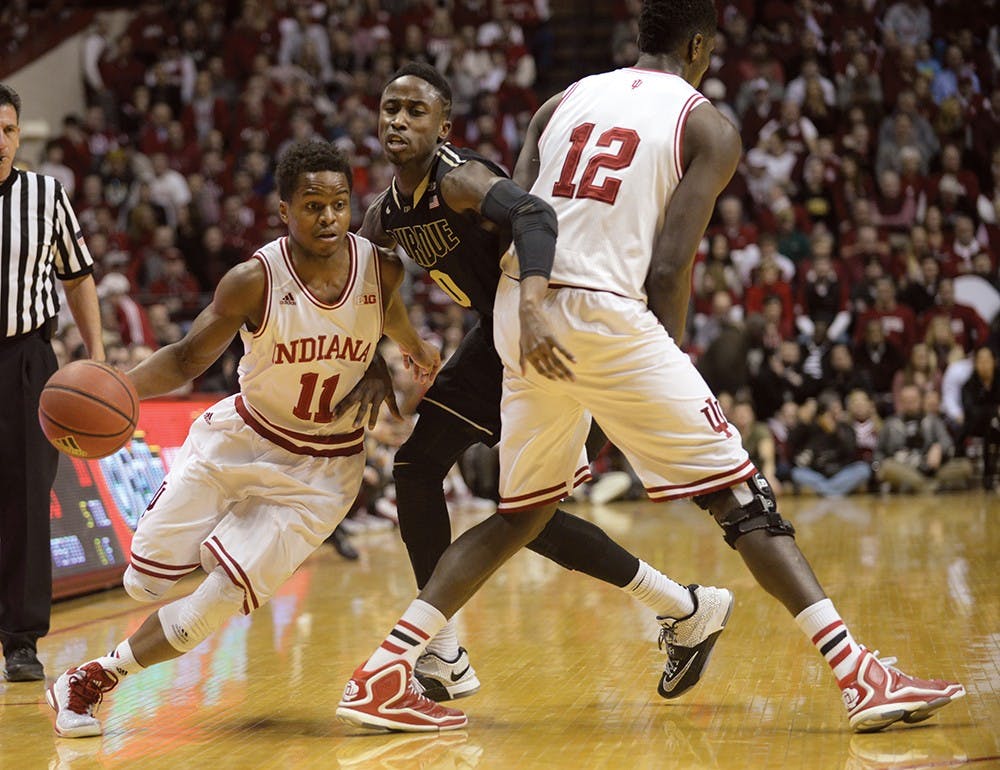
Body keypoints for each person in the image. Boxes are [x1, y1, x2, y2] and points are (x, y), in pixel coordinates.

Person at [336, 1, 965, 734]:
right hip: (603, 314)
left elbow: (527, 220)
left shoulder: (558, 102)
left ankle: (387, 669)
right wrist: (657, 371)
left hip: (518, 315)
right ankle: (861, 678)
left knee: (520, 515)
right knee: (742, 499)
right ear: (699, 45)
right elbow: (668, 268)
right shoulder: (709, 125)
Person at [348, 61, 732, 704]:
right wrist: (392, 354)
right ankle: (684, 607)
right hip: (493, 343)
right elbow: (367, 288)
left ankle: (442, 649)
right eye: (390, 108)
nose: (399, 120)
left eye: (416, 110)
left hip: (546, 331)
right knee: (464, 489)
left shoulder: (463, 177)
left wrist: (528, 305)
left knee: (520, 513)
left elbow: (535, 216)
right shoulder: (385, 215)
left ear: (444, 123)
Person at [45, 141, 440, 738]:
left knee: (207, 612)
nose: (329, 217)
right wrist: (116, 389)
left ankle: (93, 677)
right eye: (312, 205)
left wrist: (404, 354)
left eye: (338, 203)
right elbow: (184, 359)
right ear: (284, 211)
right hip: (244, 439)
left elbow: (392, 319)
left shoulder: (381, 268)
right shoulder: (252, 280)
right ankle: (215, 544)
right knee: (142, 581)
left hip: (323, 472)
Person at [0, 83, 105, 682]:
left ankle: (21, 641)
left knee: (25, 502)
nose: (1, 140)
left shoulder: (44, 196)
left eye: (10, 129)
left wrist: (97, 354)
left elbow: (79, 278)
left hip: (24, 362)